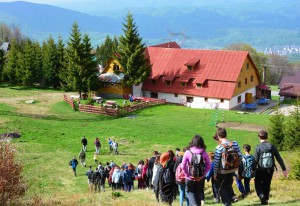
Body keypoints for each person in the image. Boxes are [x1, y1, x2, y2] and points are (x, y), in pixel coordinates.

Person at [252, 130, 287, 205]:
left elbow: (255, 160)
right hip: (270, 170)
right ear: (267, 137)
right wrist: (284, 169)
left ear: (259, 137)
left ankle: (261, 195)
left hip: (261, 169)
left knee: (257, 182)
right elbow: (279, 158)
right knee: (267, 184)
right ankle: (266, 199)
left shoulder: (258, 147)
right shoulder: (272, 146)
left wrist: (252, 169)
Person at [213, 128, 242, 206]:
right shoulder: (234, 143)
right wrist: (237, 166)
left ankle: (227, 203)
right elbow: (240, 156)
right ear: (226, 134)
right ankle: (231, 200)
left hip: (222, 171)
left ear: (218, 136)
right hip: (232, 169)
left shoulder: (219, 147)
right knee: (229, 185)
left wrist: (215, 173)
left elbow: (216, 162)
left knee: (222, 187)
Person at [181, 135, 211, 206]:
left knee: (191, 194)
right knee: (198, 194)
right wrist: (203, 175)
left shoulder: (188, 152)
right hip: (200, 178)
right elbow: (209, 165)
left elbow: (183, 165)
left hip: (190, 178)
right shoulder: (204, 152)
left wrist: (188, 175)